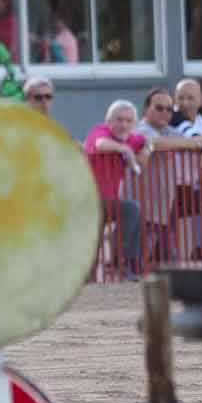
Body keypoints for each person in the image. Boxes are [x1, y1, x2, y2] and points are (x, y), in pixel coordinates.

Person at [84, 100, 148, 277]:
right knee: (131, 209)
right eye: (119, 120)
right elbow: (100, 144)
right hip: (88, 200)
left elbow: (146, 141)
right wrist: (124, 150)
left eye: (128, 121)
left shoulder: (131, 137)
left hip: (107, 202)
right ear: (108, 121)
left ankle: (122, 264)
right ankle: (117, 266)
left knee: (131, 210)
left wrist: (146, 151)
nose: (123, 125)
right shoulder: (100, 130)